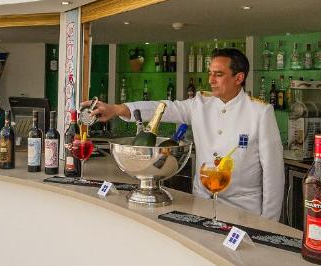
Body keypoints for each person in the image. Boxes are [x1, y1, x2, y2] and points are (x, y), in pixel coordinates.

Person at [87, 48, 284, 220]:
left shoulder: (259, 112)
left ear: (239, 78)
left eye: (218, 74)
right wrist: (116, 109)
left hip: (244, 211)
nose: (210, 80)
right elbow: (162, 108)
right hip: (202, 205)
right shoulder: (200, 104)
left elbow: (273, 174)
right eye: (210, 73)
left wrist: (269, 222)